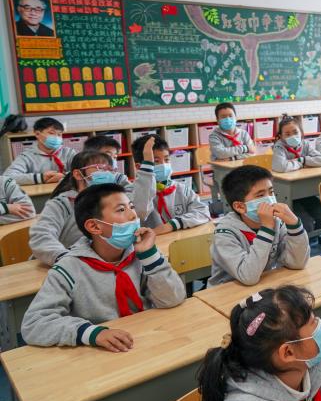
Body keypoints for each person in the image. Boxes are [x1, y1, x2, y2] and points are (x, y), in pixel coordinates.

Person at [21, 184, 186, 349]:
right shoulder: (69, 268)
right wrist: (91, 333)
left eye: (131, 207)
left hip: (144, 339)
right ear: (94, 226)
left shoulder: (141, 255)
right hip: (99, 351)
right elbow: (34, 324)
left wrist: (150, 256)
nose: (133, 215)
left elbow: (173, 298)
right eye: (121, 210)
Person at [210, 165, 309, 286]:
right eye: (260, 195)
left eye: (271, 192)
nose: (270, 200)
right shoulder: (225, 233)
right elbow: (248, 277)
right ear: (240, 206)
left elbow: (297, 263)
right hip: (226, 290)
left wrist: (294, 225)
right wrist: (266, 228)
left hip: (262, 284)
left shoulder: (276, 222)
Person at [29, 150, 128, 266]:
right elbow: (41, 236)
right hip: (66, 265)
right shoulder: (62, 203)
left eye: (110, 169)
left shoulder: (112, 202)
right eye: (100, 168)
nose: (107, 173)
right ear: (78, 174)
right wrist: (66, 259)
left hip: (101, 263)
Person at [131, 135, 210, 234]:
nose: (163, 165)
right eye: (155, 161)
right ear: (139, 167)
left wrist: (172, 225)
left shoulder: (181, 189)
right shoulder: (135, 193)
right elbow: (140, 212)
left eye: (167, 160)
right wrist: (147, 173)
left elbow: (203, 212)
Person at [272, 115, 321, 233]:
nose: (292, 136)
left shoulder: (305, 144)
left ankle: (316, 238)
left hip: (306, 192)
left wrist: (303, 160)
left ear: (301, 132)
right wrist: (301, 163)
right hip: (289, 195)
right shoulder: (279, 147)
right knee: (306, 224)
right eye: (287, 134)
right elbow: (281, 167)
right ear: (281, 136)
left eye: (295, 132)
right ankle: (304, 239)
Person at [4, 116, 75, 185]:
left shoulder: (68, 152)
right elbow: (7, 177)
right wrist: (41, 177)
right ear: (37, 134)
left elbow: (80, 170)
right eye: (51, 133)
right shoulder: (27, 156)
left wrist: (64, 176)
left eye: (59, 134)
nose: (56, 137)